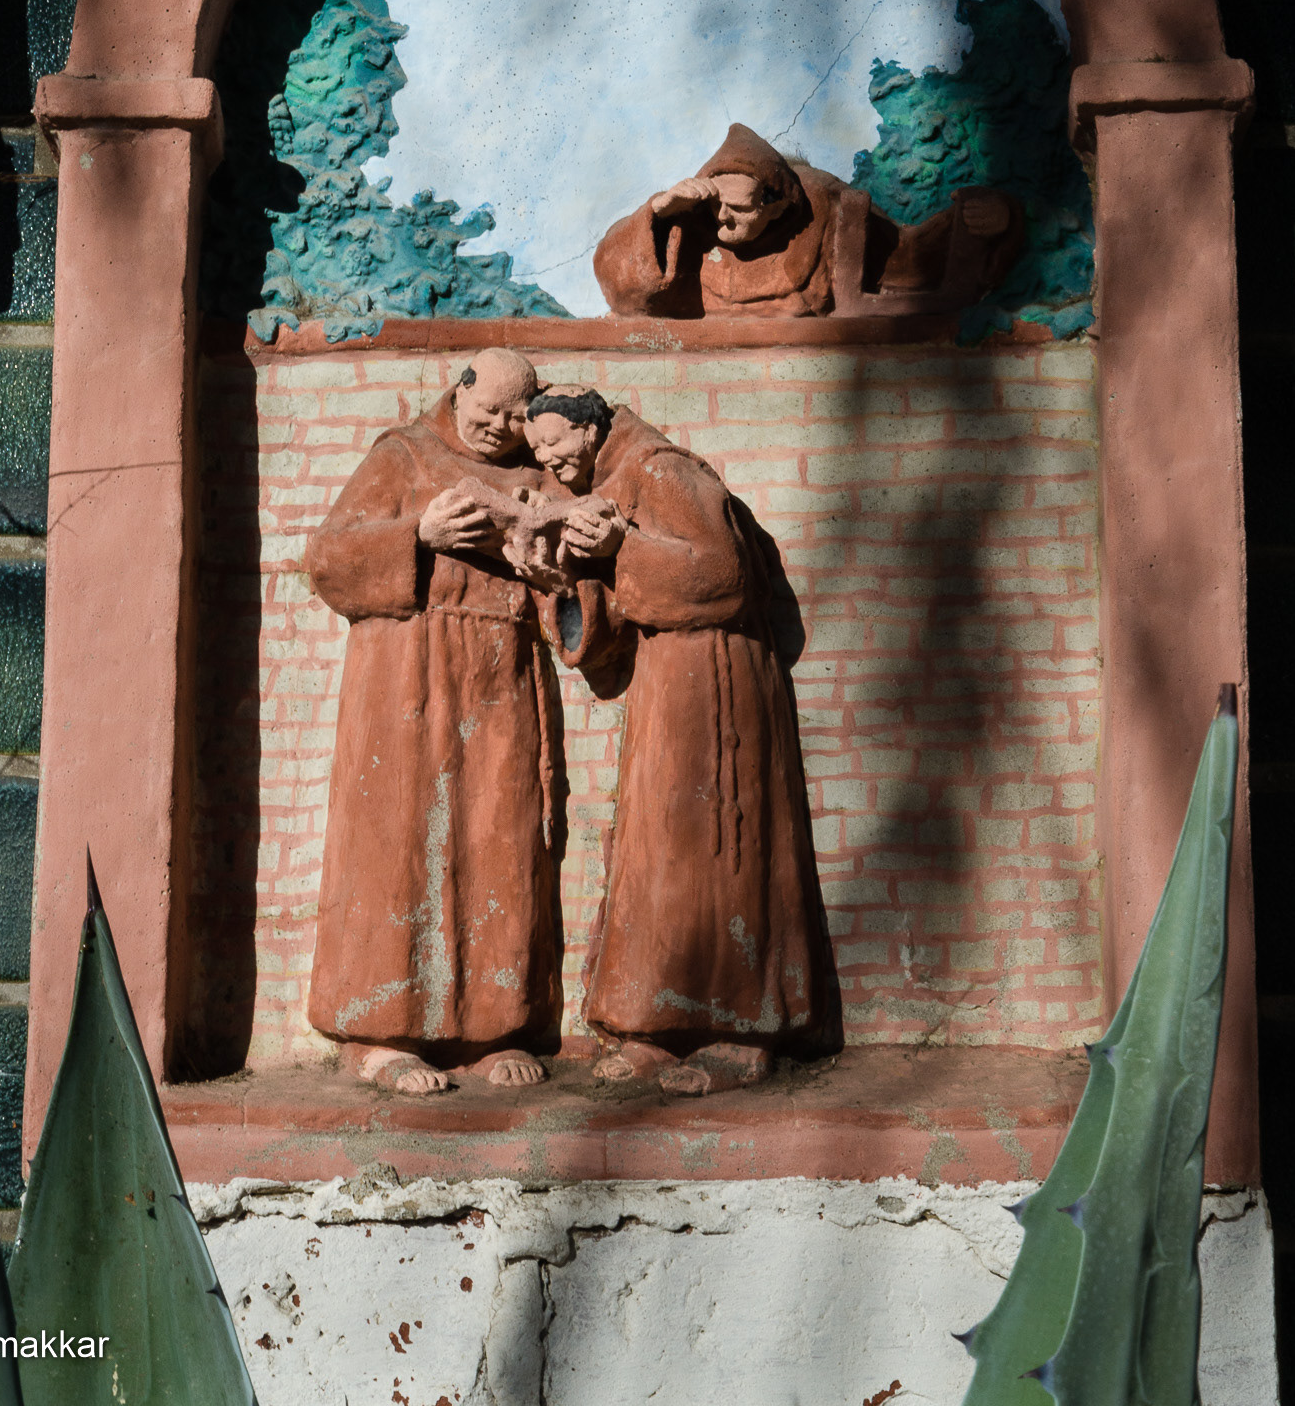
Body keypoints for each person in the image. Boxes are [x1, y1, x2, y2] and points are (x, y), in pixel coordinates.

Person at [523, 387, 834, 1091]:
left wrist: (623, 546)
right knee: (655, 851)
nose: (547, 461)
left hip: (718, 678)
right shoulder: (608, 482)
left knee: (723, 847)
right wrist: (565, 581)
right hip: (666, 679)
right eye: (536, 451)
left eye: (553, 444)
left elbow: (724, 575)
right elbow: (615, 612)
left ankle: (739, 1033)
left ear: (590, 429)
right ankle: (654, 1029)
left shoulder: (662, 469)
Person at [304, 347, 560, 1093]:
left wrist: (545, 555)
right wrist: (418, 535)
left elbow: (564, 579)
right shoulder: (403, 455)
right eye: (488, 412)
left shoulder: (534, 474)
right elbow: (328, 559)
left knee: (499, 837)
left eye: (515, 417)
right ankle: (377, 1037)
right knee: (396, 845)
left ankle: (494, 1028)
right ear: (459, 391)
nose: (499, 428)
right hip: (403, 677)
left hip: (499, 678)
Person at [592, 121, 1023, 319]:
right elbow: (619, 288)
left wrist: (983, 219)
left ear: (776, 206)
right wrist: (658, 212)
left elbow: (908, 259)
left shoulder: (826, 209)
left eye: (739, 209)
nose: (723, 219)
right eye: (717, 205)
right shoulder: (691, 229)